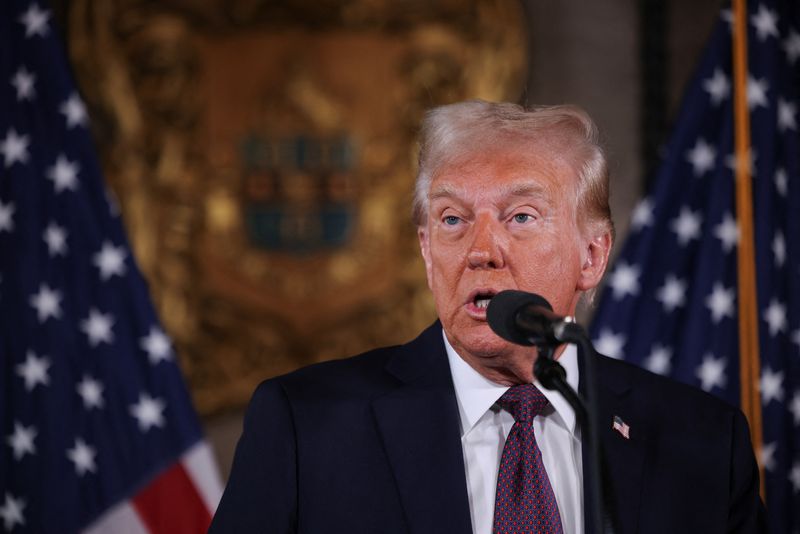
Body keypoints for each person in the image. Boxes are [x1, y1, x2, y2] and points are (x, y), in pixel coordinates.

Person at [209, 100, 765, 533]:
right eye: (453, 219)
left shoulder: (703, 444)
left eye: (520, 216)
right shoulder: (309, 428)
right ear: (427, 251)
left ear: (592, 256)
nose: (481, 249)